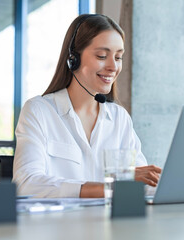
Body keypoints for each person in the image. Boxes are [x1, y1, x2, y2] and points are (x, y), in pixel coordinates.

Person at [13, 14, 162, 198]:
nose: (113, 66)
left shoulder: (119, 118)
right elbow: (26, 184)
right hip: (59, 225)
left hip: (111, 226)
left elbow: (142, 184)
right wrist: (109, 188)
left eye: (118, 57)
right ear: (73, 58)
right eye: (102, 56)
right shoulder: (39, 111)